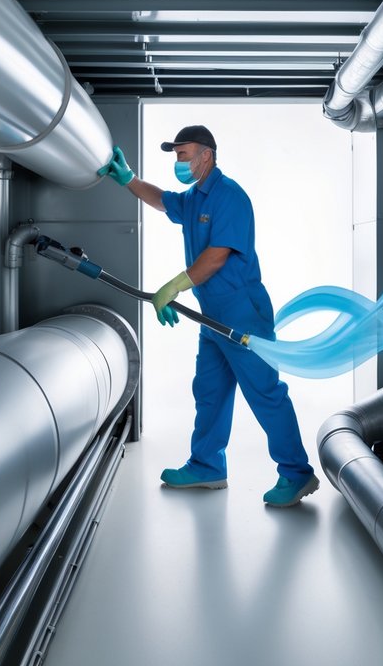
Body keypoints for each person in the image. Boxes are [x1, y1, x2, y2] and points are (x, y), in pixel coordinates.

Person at [98, 125, 319, 507]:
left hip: (242, 313)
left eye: (184, 155)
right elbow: (164, 201)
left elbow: (218, 256)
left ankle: (296, 473)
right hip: (212, 314)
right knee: (210, 392)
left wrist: (173, 286)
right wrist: (128, 179)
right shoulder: (195, 197)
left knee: (265, 392)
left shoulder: (229, 196)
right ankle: (207, 465)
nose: (179, 163)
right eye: (176, 156)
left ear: (206, 156)